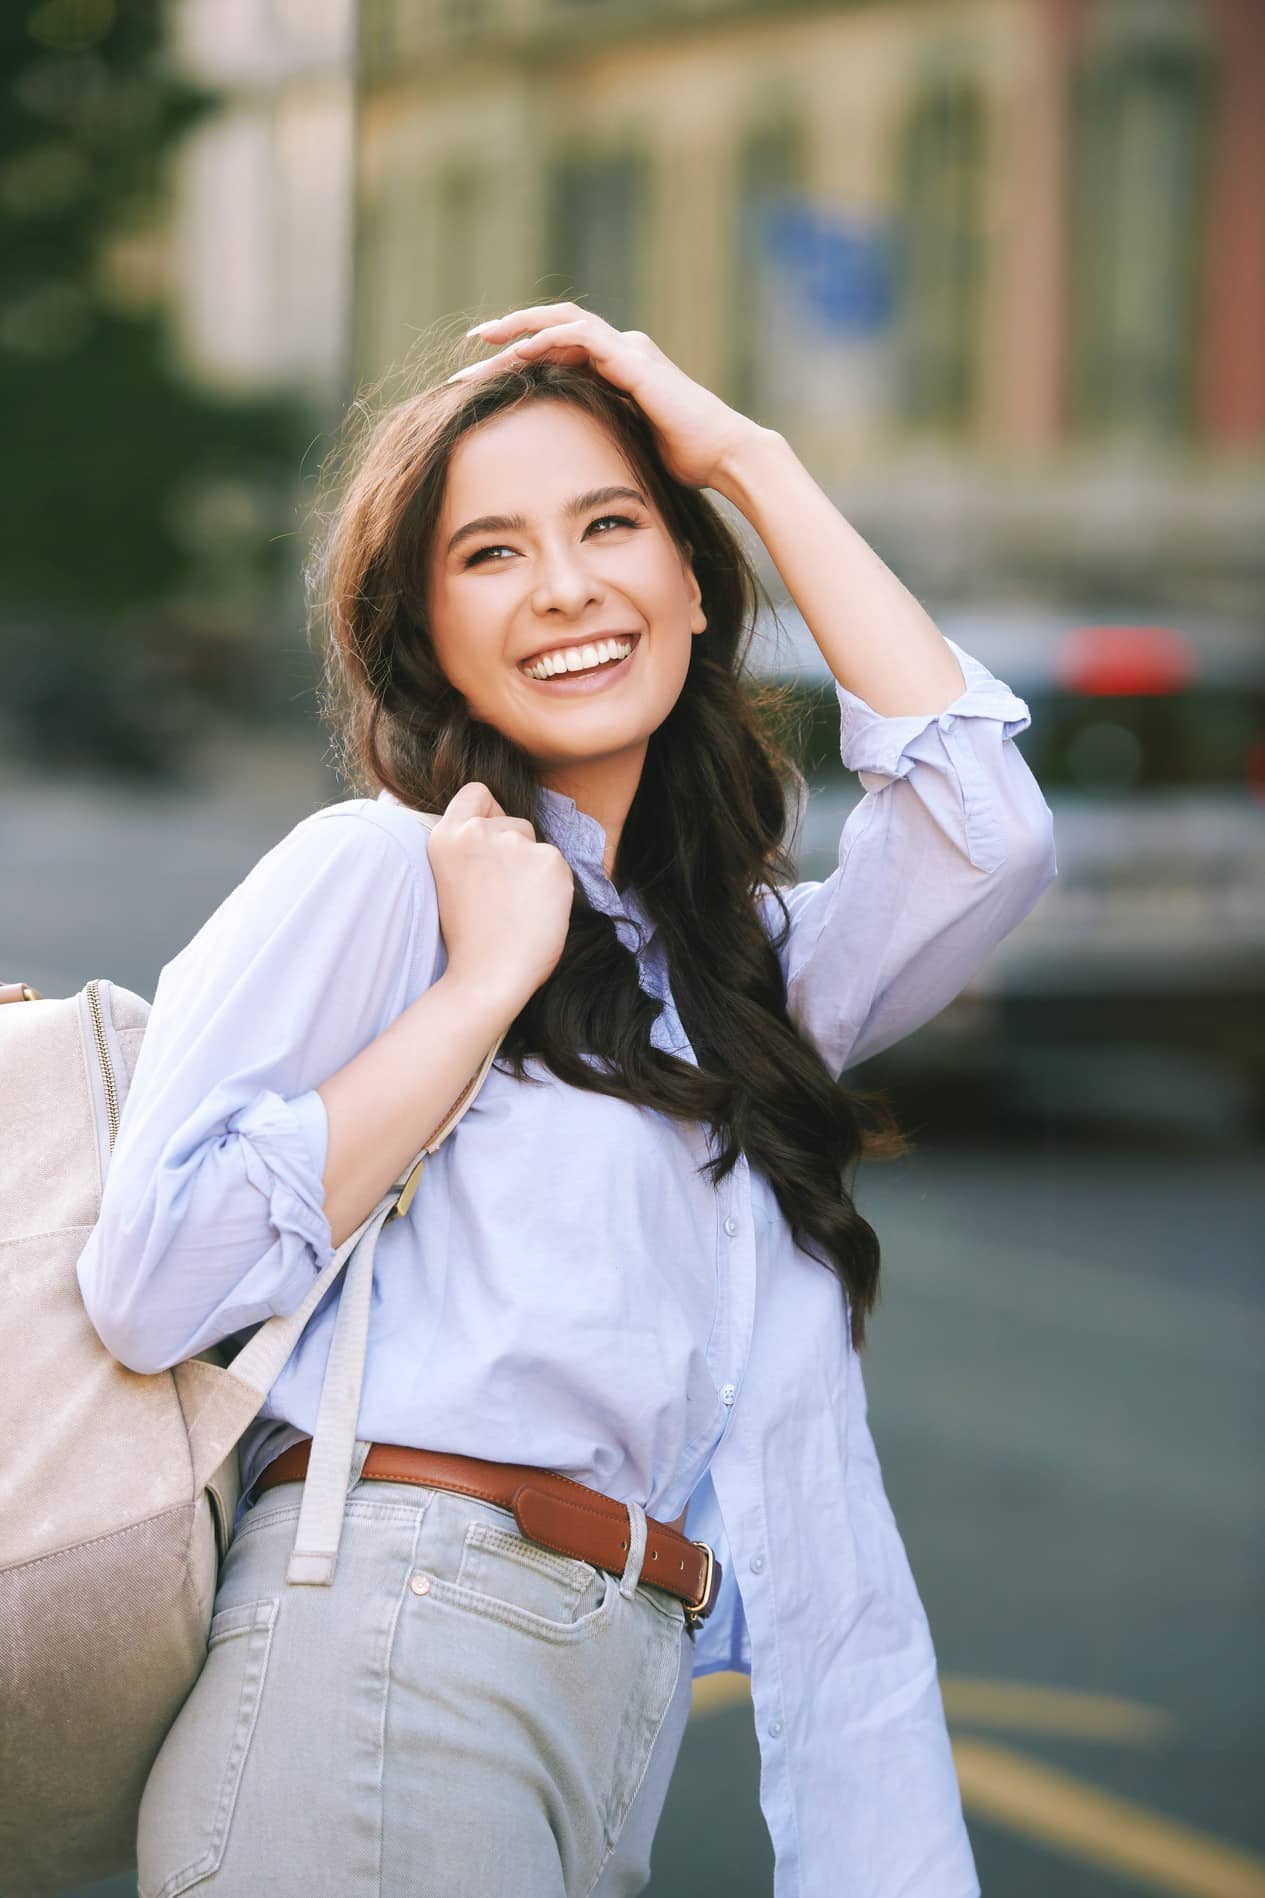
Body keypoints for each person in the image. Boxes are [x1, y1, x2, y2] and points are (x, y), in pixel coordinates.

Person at [76, 301, 1057, 1898]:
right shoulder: (382, 876)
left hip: (611, 1695)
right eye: (488, 553)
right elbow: (150, 1276)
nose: (567, 588)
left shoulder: (735, 969)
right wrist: (477, 989)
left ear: (687, 576)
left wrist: (742, 453)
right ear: (426, 631)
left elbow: (983, 831)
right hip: (388, 1653)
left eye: (612, 525)